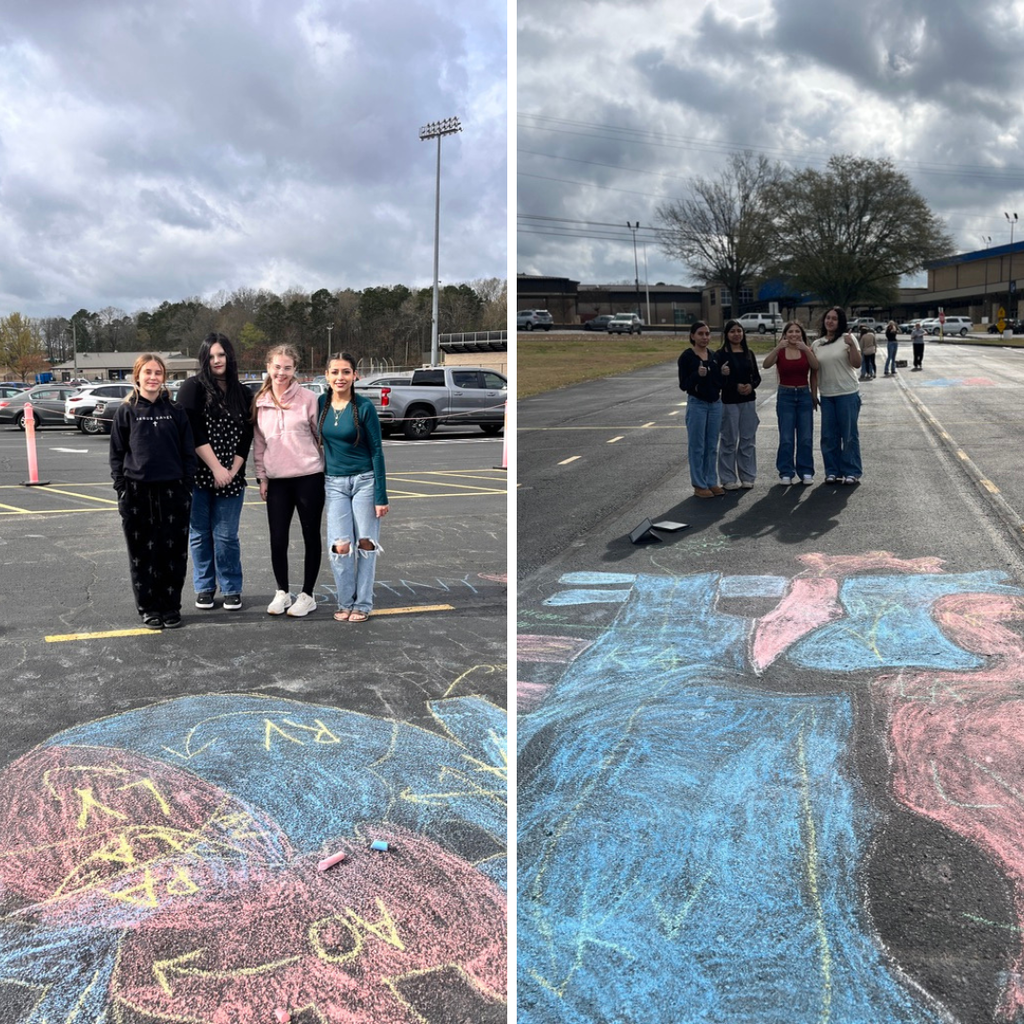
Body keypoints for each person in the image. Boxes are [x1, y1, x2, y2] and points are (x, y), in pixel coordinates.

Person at [109, 353, 197, 629]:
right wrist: (122, 488)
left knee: (173, 552)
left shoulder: (176, 410)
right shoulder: (126, 411)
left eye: (158, 372)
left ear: (164, 377)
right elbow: (117, 453)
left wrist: (186, 484)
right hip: (137, 491)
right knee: (142, 554)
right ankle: (149, 607)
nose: (152, 377)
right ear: (137, 376)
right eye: (147, 372)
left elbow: (188, 452)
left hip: (173, 491)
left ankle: (171, 606)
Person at [177, 333, 254, 612]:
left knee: (226, 535)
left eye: (221, 354)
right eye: (211, 356)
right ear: (204, 359)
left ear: (229, 356)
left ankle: (231, 586)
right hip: (198, 474)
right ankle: (205, 587)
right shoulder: (192, 387)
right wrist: (216, 468)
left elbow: (246, 436)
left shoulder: (243, 393)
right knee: (199, 533)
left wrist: (232, 470)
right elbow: (192, 432)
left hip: (231, 475)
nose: (217, 360)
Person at [252, 344, 324, 617]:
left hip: (308, 477)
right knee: (278, 538)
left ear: (295, 370)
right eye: (277, 367)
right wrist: (262, 476)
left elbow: (321, 436)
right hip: (277, 480)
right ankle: (282, 591)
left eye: (287, 368)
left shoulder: (308, 398)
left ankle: (308, 594)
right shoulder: (260, 401)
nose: (281, 373)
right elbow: (259, 443)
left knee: (310, 535)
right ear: (268, 367)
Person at [317, 353, 390, 622]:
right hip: (334, 483)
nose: (340, 377)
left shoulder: (364, 407)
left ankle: (363, 603)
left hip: (365, 481)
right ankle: (345, 601)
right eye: (335, 372)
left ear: (354, 375)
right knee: (341, 545)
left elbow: (377, 452)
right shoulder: (321, 403)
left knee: (366, 544)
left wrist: (381, 495)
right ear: (326, 375)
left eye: (346, 372)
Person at [763, 321, 819, 485]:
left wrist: (806, 350)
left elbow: (816, 366)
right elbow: (766, 364)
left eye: (797, 332)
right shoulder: (781, 351)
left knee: (805, 437)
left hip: (803, 395)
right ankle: (786, 472)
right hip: (785, 395)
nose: (794, 335)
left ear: (801, 334)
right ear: (785, 335)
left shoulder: (806, 350)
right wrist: (777, 347)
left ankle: (806, 471)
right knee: (786, 437)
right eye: (790, 332)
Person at [811, 307, 863, 485]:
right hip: (827, 395)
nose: (830, 321)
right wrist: (813, 393)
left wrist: (851, 345)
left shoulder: (847, 339)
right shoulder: (817, 344)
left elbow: (856, 364)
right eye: (828, 318)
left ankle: (851, 471)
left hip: (847, 393)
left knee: (848, 434)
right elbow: (814, 371)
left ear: (840, 322)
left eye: (834, 319)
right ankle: (832, 471)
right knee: (828, 436)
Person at [678, 320, 724, 498]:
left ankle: (711, 481)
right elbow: (684, 384)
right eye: (701, 334)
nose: (705, 337)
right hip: (697, 404)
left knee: (712, 446)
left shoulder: (713, 355)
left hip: (715, 404)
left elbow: (718, 382)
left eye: (707, 334)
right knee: (697, 446)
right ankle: (699, 484)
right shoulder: (687, 357)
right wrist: (698, 374)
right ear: (692, 336)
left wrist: (723, 374)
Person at [715, 319, 761, 490]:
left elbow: (756, 377)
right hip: (729, 402)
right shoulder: (720, 355)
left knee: (748, 440)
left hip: (748, 401)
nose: (737, 334)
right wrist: (728, 379)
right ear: (726, 334)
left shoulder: (749, 353)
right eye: (733, 331)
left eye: (739, 331)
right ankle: (727, 478)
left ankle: (748, 476)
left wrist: (751, 385)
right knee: (728, 440)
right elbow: (718, 381)